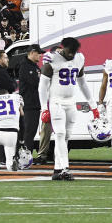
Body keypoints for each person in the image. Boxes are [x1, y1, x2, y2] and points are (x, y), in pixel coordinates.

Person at [39, 36, 94, 182]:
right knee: (60, 134)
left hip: (70, 102)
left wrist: (93, 105)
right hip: (56, 101)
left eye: (74, 52)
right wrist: (44, 108)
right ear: (62, 48)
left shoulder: (79, 58)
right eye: (69, 52)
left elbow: (82, 84)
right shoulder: (51, 59)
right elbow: (42, 86)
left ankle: (57, 170)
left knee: (66, 136)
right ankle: (65, 168)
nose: (71, 55)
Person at [0, 50, 22, 171]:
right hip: (9, 125)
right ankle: (4, 160)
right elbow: (12, 86)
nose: (8, 60)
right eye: (5, 57)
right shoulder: (0, 72)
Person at [16, 46, 42, 156]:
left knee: (31, 132)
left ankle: (26, 155)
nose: (40, 55)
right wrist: (40, 78)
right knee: (28, 132)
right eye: (38, 53)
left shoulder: (34, 66)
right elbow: (35, 82)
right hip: (28, 104)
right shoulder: (25, 66)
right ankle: (25, 156)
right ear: (32, 53)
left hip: (34, 104)